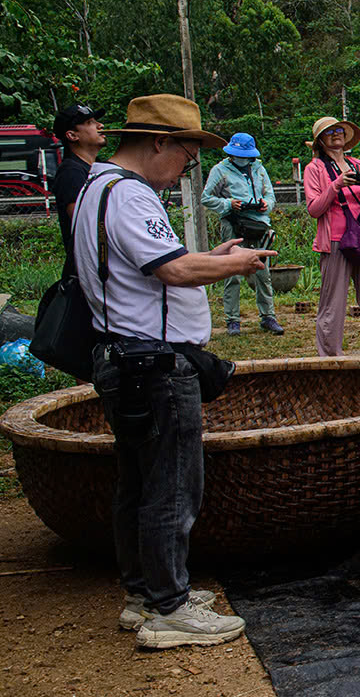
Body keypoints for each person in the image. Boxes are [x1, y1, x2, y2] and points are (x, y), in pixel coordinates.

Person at [75, 94, 268, 648]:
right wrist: (233, 263)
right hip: (153, 364)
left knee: (138, 482)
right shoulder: (130, 195)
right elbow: (176, 269)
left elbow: (152, 266)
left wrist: (218, 255)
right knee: (173, 485)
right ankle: (171, 609)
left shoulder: (97, 188)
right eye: (187, 155)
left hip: (126, 357)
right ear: (160, 142)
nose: (188, 167)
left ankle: (145, 593)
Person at [304, 116, 360, 356]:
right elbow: (314, 208)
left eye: (339, 130)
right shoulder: (314, 168)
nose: (336, 134)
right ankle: (330, 356)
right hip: (335, 241)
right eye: (329, 132)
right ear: (320, 140)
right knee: (333, 303)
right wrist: (336, 185)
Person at [201, 133, 282, 336]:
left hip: (258, 224)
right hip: (234, 224)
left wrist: (266, 205)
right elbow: (206, 198)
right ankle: (232, 319)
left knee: (263, 272)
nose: (241, 158)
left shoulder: (259, 169)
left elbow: (270, 195)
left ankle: (268, 316)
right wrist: (229, 204)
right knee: (232, 273)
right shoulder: (220, 170)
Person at [51, 101, 106, 262]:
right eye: (90, 123)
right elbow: (86, 222)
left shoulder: (99, 167)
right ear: (72, 135)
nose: (100, 126)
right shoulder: (71, 172)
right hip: (89, 268)